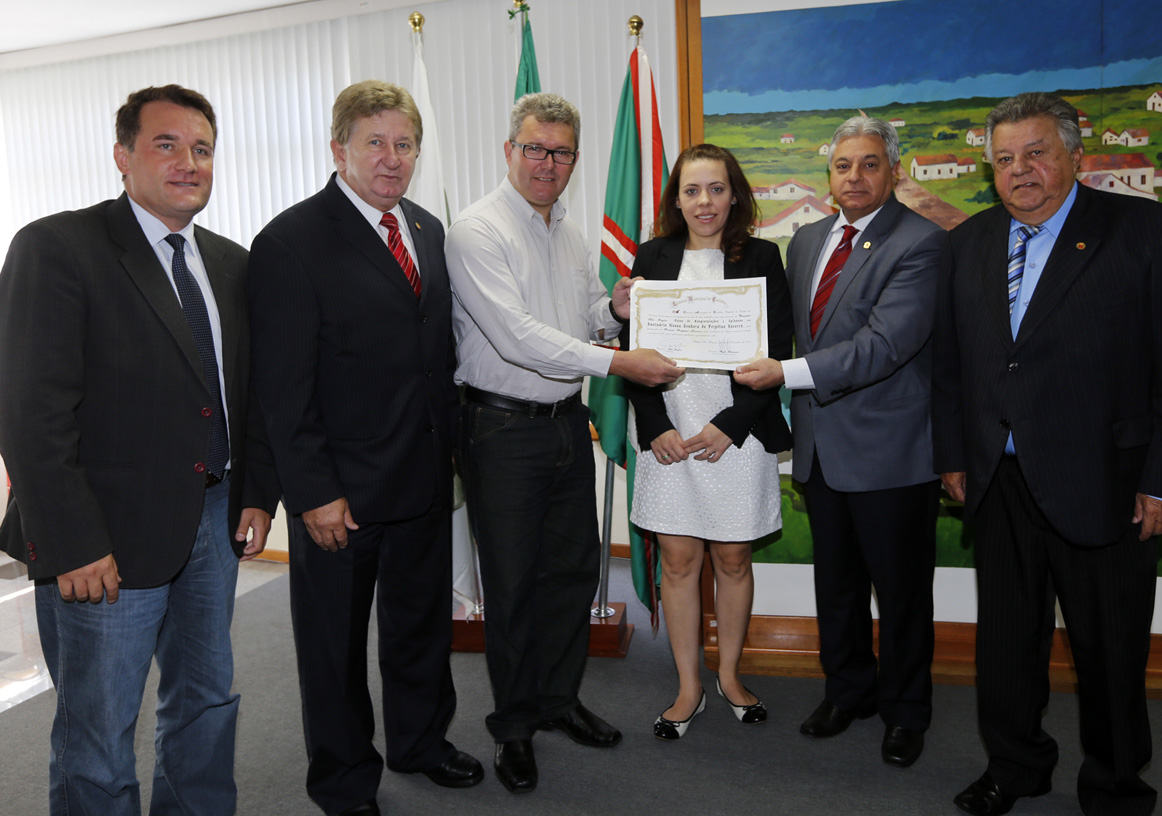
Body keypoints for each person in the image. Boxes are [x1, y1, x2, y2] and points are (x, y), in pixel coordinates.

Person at [0, 84, 277, 816]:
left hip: (214, 524)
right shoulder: (56, 248)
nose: (189, 162)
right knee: (98, 733)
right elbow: (30, 414)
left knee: (207, 702)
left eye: (203, 149)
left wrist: (256, 492)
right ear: (122, 157)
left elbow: (244, 394)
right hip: (104, 542)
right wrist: (71, 543)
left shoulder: (231, 263)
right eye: (166, 145)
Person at [931, 92, 1162, 816]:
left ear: (1075, 155)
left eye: (1036, 152)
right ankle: (1015, 767)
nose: (1020, 171)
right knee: (1006, 648)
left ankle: (1115, 785)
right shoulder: (969, 244)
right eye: (1005, 159)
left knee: (1110, 653)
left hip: (1109, 483)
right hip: (999, 481)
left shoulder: (1150, 232)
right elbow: (953, 366)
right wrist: (954, 455)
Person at [248, 80, 481, 816]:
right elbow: (282, 388)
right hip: (338, 498)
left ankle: (420, 743)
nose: (392, 158)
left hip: (420, 478)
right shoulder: (291, 241)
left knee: (420, 633)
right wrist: (313, 492)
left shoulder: (426, 228)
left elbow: (431, 351)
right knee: (334, 652)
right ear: (339, 148)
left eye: (404, 144)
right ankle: (345, 780)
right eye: (374, 142)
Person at [445, 92, 682, 794]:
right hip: (499, 429)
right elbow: (517, 336)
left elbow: (579, 319)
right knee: (514, 585)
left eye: (561, 152)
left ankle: (557, 699)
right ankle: (514, 726)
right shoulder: (476, 231)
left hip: (562, 426)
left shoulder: (571, 233)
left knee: (574, 573)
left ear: (576, 159)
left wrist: (614, 309)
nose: (548, 164)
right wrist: (619, 360)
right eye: (535, 149)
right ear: (509, 150)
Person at [735, 116, 945, 768]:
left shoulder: (921, 244)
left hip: (891, 454)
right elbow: (782, 327)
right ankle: (848, 689)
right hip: (823, 451)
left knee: (902, 592)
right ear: (829, 175)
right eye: (843, 165)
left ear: (894, 171)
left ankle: (906, 712)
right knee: (838, 586)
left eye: (870, 164)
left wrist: (786, 375)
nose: (855, 176)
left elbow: (884, 345)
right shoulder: (806, 241)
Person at [620, 144, 791, 740]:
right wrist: (656, 426)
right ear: (676, 199)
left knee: (733, 558)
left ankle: (731, 675)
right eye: (692, 190)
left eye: (716, 189)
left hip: (735, 430)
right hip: (669, 429)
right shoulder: (651, 257)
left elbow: (780, 355)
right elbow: (631, 356)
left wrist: (732, 424)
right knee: (679, 559)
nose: (704, 202)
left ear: (734, 195)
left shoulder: (764, 257)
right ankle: (689, 686)